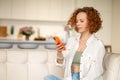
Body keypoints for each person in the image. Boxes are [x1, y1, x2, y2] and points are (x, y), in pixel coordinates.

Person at [44, 7, 105, 80]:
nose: (78, 24)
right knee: (48, 78)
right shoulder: (72, 41)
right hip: (70, 78)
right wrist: (59, 53)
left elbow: (96, 72)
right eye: (76, 21)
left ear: (91, 22)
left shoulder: (97, 44)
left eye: (81, 21)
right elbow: (61, 65)